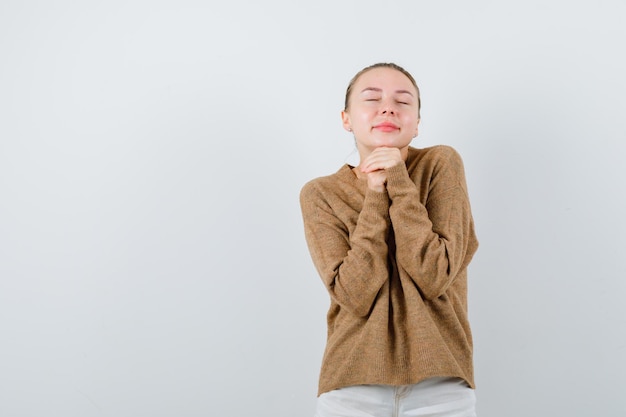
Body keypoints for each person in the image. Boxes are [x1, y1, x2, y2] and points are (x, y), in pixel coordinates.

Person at [299, 62, 479, 417]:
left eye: (403, 101)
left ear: (416, 122)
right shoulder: (320, 193)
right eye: (371, 98)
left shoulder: (441, 163)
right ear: (346, 118)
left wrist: (397, 178)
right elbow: (354, 293)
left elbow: (434, 274)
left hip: (441, 388)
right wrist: (376, 194)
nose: (388, 108)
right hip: (351, 388)